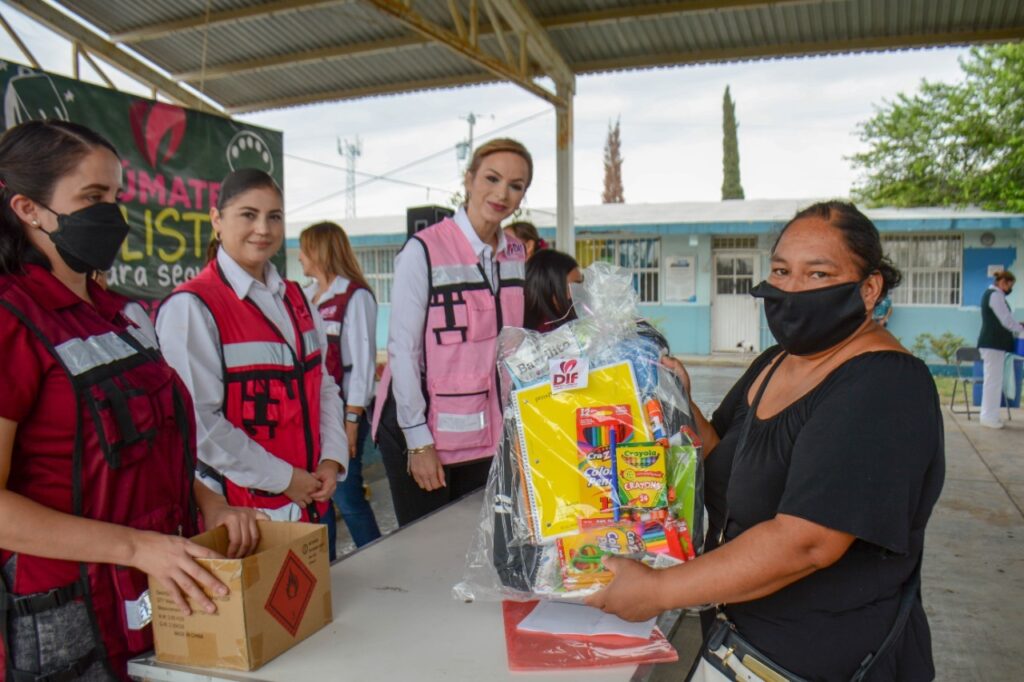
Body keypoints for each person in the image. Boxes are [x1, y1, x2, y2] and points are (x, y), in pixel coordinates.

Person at [587, 201, 945, 681]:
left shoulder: (884, 385)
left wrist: (657, 590)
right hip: (736, 645)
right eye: (781, 271)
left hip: (813, 661)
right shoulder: (778, 360)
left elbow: (807, 541)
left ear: (869, 288)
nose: (792, 288)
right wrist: (671, 397)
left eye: (817, 274)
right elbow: (724, 459)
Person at [0, 120, 261, 681]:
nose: (111, 213)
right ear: (28, 208)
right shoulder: (11, 320)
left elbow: (154, 440)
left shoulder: (121, 313)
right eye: (93, 197)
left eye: (117, 196)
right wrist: (137, 548)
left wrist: (206, 502)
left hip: (149, 588)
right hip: (65, 613)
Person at [157, 169, 348, 527]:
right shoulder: (193, 307)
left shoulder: (298, 299)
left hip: (311, 502)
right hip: (244, 517)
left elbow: (322, 385)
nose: (263, 228)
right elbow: (200, 425)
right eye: (248, 214)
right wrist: (284, 478)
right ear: (217, 220)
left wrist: (331, 459)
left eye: (274, 217)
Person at [372, 138, 531, 527]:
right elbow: (403, 352)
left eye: (516, 186)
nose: (501, 193)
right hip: (425, 431)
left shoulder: (514, 253)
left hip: (484, 430)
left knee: (473, 545)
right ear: (469, 179)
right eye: (491, 178)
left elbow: (511, 343)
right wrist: (418, 440)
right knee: (427, 550)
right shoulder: (423, 250)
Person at [298, 222, 382, 554]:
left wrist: (351, 422)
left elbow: (362, 364)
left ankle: (377, 561)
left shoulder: (355, 296)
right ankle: (327, 568)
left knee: (347, 497)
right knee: (319, 499)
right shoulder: (304, 297)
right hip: (314, 412)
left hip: (346, 410)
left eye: (305, 249)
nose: (301, 257)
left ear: (318, 251)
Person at [977, 270, 1023, 429]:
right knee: (993, 382)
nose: (1010, 288)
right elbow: (1006, 320)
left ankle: (990, 415)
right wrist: (1020, 328)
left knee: (994, 381)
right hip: (993, 344)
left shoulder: (993, 295)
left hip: (994, 344)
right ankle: (988, 417)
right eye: (1010, 285)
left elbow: (1005, 319)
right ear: (1003, 282)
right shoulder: (995, 296)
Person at [524, 249, 582, 331]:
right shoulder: (546, 336)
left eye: (581, 285)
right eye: (574, 286)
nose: (581, 292)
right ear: (548, 288)